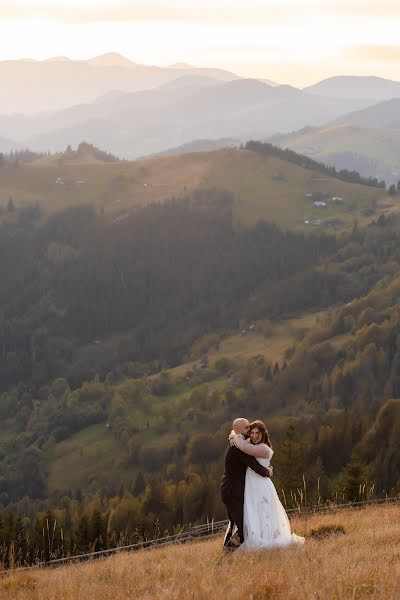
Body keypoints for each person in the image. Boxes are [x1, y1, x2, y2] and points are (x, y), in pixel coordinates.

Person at [230, 419, 305, 550]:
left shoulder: (264, 449)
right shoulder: (251, 443)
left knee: (264, 511)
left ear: (263, 434)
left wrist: (234, 436)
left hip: (261, 484)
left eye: (257, 433)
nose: (253, 435)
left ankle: (269, 538)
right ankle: (255, 535)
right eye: (251, 432)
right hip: (251, 484)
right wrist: (232, 435)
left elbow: (244, 447)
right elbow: (240, 439)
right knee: (252, 511)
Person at [221, 417, 272, 551]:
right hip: (232, 492)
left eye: (249, 427)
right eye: (247, 428)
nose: (249, 429)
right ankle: (229, 552)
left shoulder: (239, 441)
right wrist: (267, 472)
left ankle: (226, 549)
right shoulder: (237, 447)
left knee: (235, 523)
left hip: (229, 490)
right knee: (243, 527)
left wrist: (232, 435)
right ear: (239, 431)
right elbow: (253, 464)